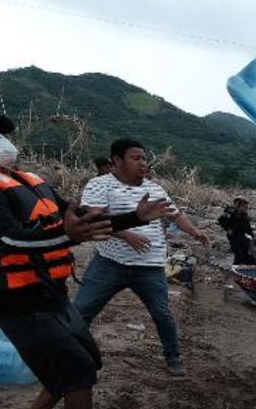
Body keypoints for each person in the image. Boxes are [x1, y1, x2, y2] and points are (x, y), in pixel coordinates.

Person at [0, 109, 169, 409]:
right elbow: (9, 240)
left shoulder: (30, 180)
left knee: (87, 358)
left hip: (51, 291)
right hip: (15, 299)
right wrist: (67, 235)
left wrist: (134, 218)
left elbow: (83, 220)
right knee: (75, 368)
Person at [71, 138, 210, 377]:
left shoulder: (155, 188)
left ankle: (173, 357)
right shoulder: (99, 185)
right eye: (136, 158)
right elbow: (92, 219)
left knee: (162, 314)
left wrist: (195, 232)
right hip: (110, 263)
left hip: (150, 266)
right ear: (117, 161)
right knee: (81, 311)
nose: (143, 163)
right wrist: (128, 236)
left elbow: (175, 216)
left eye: (144, 158)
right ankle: (68, 355)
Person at [217, 197, 256, 265]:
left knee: (246, 252)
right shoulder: (231, 214)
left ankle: (249, 266)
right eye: (244, 207)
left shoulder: (244, 216)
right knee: (238, 254)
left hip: (241, 235)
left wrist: (253, 237)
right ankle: (236, 267)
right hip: (233, 236)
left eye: (247, 207)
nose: (246, 209)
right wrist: (228, 229)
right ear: (239, 207)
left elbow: (248, 227)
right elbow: (220, 220)